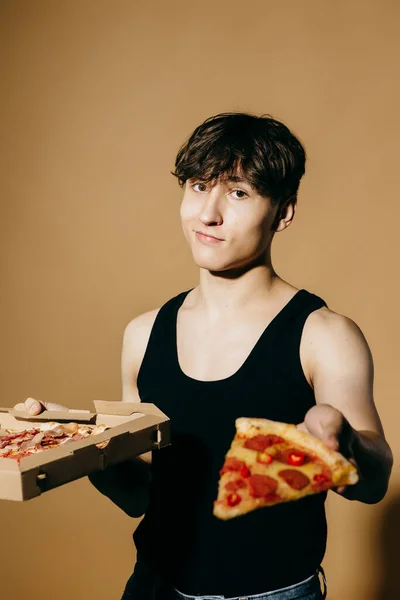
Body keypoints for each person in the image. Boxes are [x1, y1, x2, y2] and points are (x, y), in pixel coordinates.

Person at [16, 113, 393, 600]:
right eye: (197, 186)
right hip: (154, 586)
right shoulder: (143, 334)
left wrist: (341, 440)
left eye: (238, 193)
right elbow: (138, 496)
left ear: (283, 211)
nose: (207, 214)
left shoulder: (323, 334)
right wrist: (78, 445)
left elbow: (375, 482)